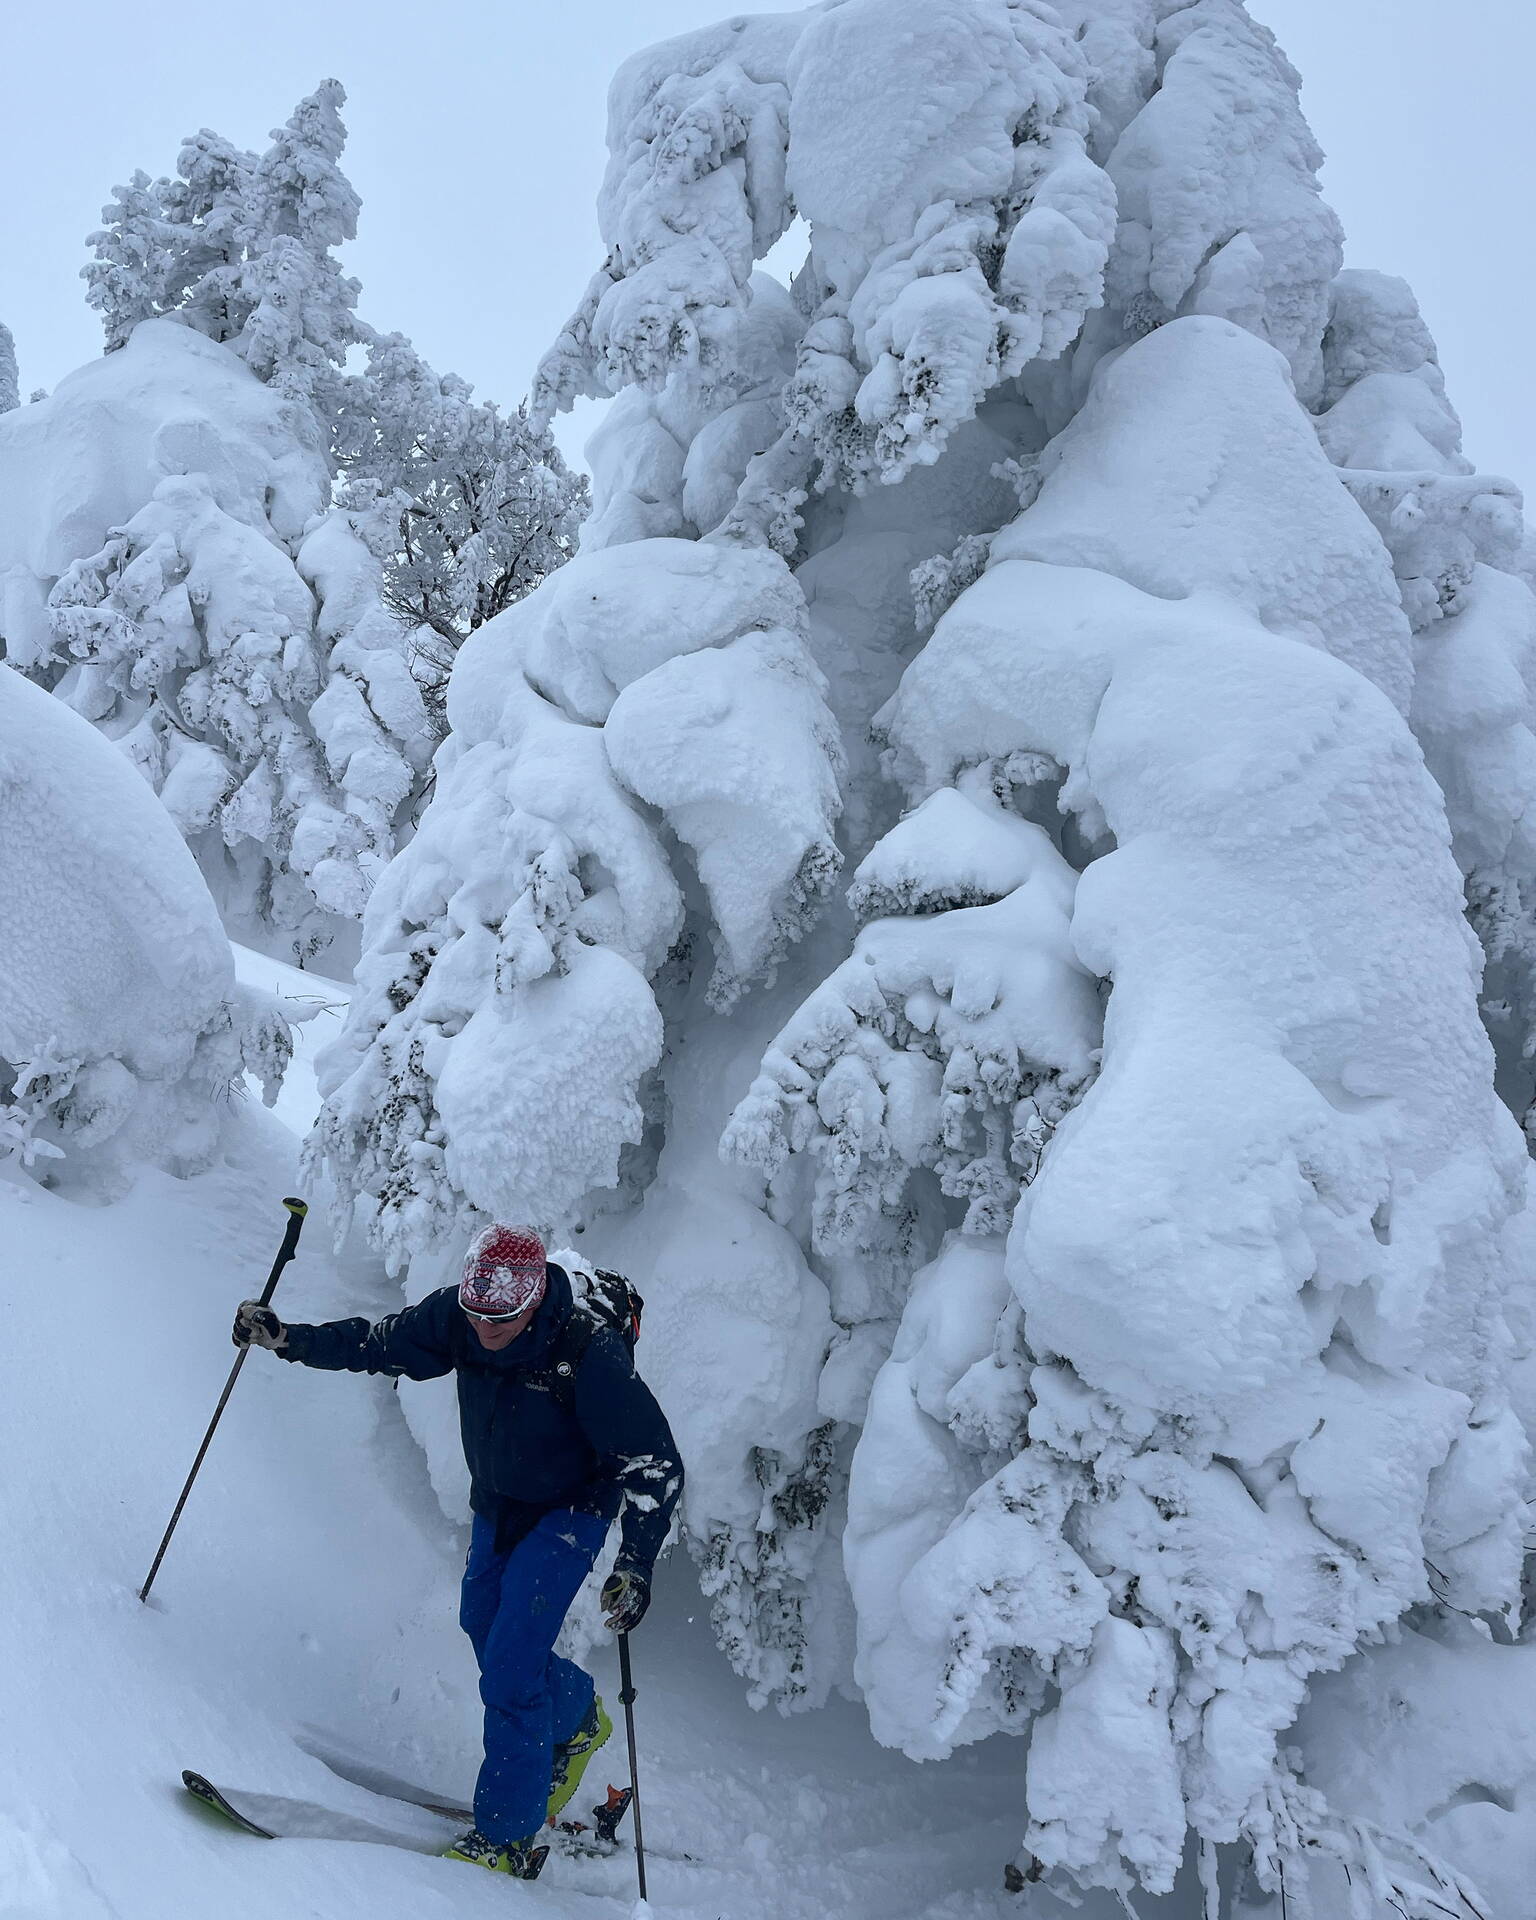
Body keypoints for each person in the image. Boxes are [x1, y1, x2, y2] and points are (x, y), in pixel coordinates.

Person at [233, 1222, 683, 1880]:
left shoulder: (586, 1356)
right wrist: (288, 1339)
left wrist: (635, 1564)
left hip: (569, 1513)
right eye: (474, 1312)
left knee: (508, 1666)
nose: (483, 1328)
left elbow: (656, 1464)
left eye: (499, 1317)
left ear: (532, 1301)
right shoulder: (461, 1314)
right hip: (498, 1504)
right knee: (483, 1626)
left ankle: (506, 1837)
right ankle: (577, 1717)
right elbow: (378, 1342)